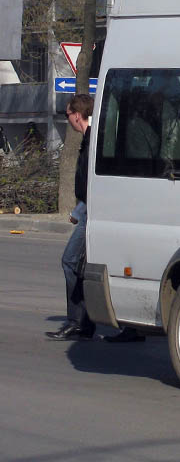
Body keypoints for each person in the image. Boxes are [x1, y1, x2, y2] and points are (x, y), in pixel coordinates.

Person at [46, 95, 96, 341]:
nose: (68, 120)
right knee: (80, 265)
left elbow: (92, 183)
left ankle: (79, 322)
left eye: (67, 115)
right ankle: (84, 321)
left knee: (70, 261)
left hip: (93, 213)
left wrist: (81, 212)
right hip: (88, 210)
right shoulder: (90, 139)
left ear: (77, 115)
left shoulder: (93, 139)